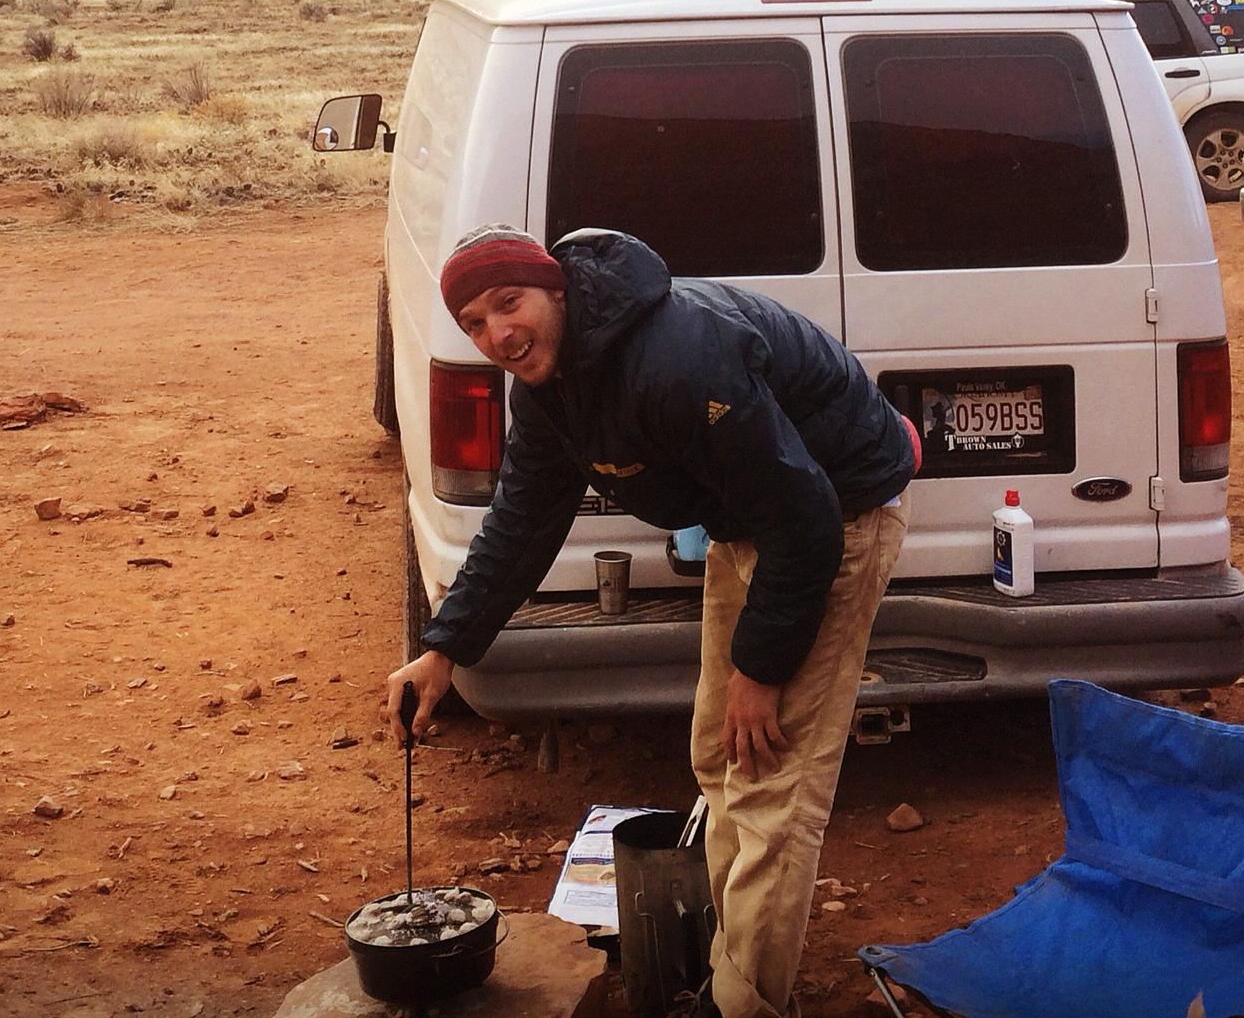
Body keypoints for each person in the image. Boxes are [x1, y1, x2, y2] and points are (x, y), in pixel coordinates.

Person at [385, 224, 918, 1018]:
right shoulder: (548, 388)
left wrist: (762, 671)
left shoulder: (676, 360)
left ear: (555, 290)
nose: (498, 333)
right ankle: (725, 957)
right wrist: (444, 648)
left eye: (509, 302)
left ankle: (742, 1005)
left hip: (835, 519)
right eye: (473, 322)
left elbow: (805, 517)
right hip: (753, 522)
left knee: (774, 781)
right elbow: (524, 519)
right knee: (718, 748)